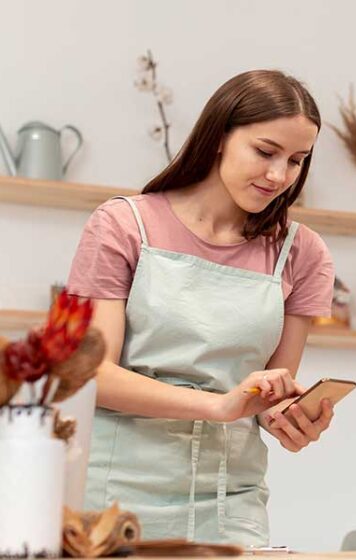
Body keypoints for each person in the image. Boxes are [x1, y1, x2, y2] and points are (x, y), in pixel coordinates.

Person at [66, 70, 335, 546]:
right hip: (112, 496)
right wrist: (219, 406)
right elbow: (93, 375)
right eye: (265, 151)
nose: (279, 175)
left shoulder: (303, 253)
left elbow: (272, 394)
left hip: (232, 501)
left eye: (297, 160)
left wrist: (291, 417)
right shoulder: (124, 225)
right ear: (218, 137)